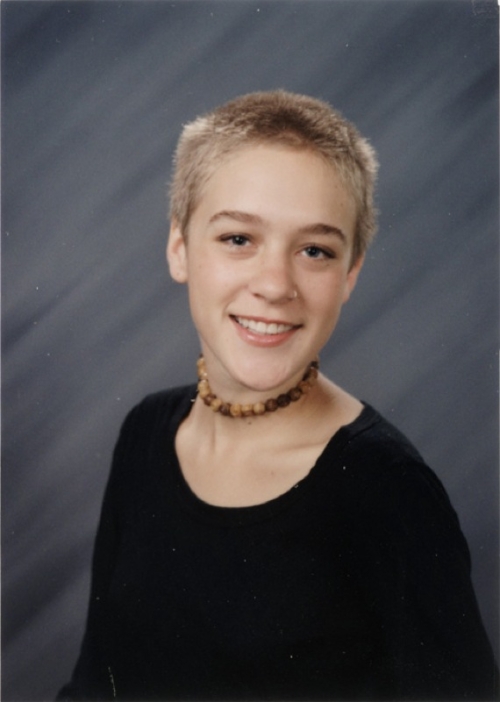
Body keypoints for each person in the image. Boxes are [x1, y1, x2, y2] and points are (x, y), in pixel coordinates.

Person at [58, 90, 498, 701]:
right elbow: (93, 684)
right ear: (179, 248)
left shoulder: (387, 490)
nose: (274, 285)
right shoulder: (146, 431)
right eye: (239, 238)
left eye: (315, 251)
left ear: (350, 274)